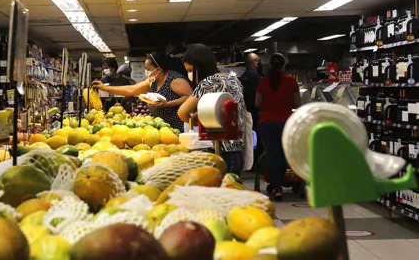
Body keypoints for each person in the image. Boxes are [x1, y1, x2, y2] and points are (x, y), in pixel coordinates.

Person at [178, 44, 246, 175]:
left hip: (215, 151)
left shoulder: (207, 83)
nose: (189, 74)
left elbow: (182, 112)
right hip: (236, 151)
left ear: (200, 66)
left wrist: (201, 121)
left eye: (190, 70)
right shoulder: (234, 80)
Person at [93, 52, 192, 131]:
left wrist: (168, 104)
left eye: (148, 69)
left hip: (177, 127)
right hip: (161, 127)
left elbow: (190, 96)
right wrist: (105, 88)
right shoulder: (152, 81)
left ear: (158, 69)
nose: (146, 71)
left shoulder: (174, 80)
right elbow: (131, 90)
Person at [255, 53, 301, 200]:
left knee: (273, 154)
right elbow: (297, 104)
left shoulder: (263, 81)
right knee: (285, 153)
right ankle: (287, 180)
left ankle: (277, 188)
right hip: (286, 123)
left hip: (267, 123)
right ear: (284, 66)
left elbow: (257, 103)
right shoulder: (291, 81)